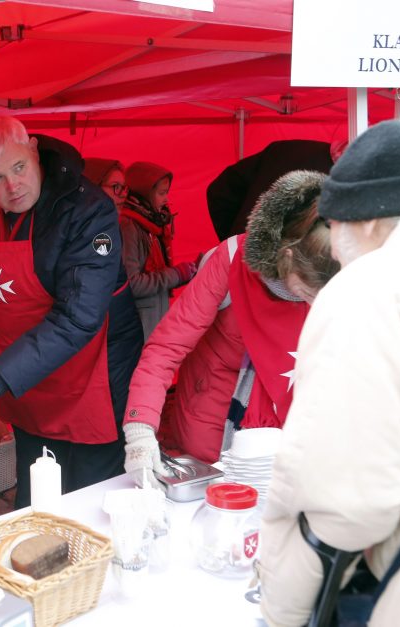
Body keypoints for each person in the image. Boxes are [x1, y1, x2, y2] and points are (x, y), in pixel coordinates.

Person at [257, 122, 400, 626]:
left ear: (369, 221)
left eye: (336, 226)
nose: (331, 248)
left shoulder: (368, 289)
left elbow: (348, 506)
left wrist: (280, 613)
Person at [0, 116, 144, 508]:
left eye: (19, 168)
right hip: (26, 373)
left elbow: (79, 316)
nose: (12, 186)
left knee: (93, 494)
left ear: (35, 151)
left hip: (93, 367)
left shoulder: (88, 209)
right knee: (37, 488)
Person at [122, 170, 339, 479]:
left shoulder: (336, 266)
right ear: (287, 258)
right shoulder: (230, 261)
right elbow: (165, 348)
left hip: (283, 436)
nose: (317, 301)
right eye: (308, 288)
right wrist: (140, 431)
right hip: (211, 428)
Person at [119, 161, 197, 340]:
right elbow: (132, 284)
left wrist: (187, 272)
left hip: (152, 324)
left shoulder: (151, 226)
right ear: (144, 192)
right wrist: (176, 274)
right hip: (138, 329)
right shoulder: (129, 227)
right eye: (162, 193)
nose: (166, 199)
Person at [207, 139, 336, 241]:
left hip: (244, 250)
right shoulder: (347, 182)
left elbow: (220, 192)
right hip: (291, 266)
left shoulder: (285, 149)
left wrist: (233, 241)